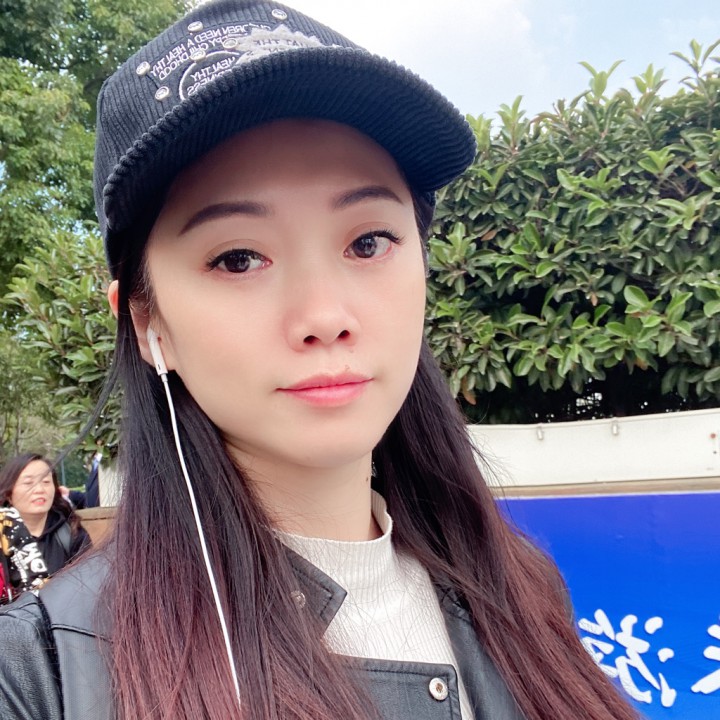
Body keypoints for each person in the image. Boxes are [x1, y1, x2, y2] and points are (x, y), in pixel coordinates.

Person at [0, 2, 638, 719]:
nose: (325, 316)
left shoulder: (524, 590)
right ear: (147, 322)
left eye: (368, 243)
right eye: (238, 258)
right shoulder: (43, 673)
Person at [0, 453, 90, 604]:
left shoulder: (71, 533)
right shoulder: (3, 535)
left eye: (46, 482)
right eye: (28, 483)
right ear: (9, 493)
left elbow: (88, 587)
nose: (40, 489)